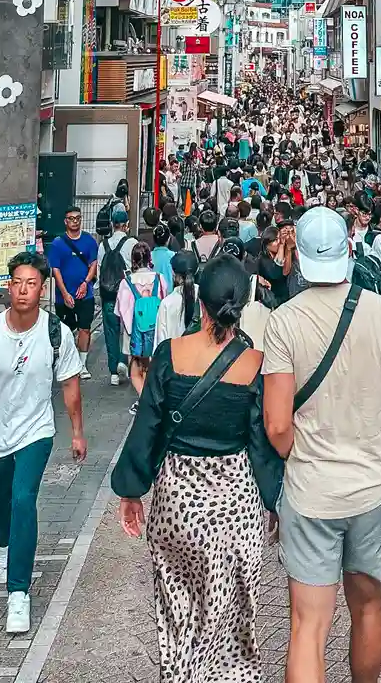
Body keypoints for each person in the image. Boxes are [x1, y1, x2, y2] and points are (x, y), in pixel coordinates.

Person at [262, 208, 381, 683]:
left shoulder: (283, 322)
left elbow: (278, 424)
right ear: (349, 249)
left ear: (298, 257)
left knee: (307, 625)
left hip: (311, 489)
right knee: (367, 605)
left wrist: (296, 458)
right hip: (373, 485)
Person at [113, 255, 282, 683]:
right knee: (231, 615)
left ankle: (183, 674)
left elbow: (148, 426)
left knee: (178, 606)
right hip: (237, 503)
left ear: (198, 303)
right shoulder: (255, 364)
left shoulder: (170, 355)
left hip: (178, 501)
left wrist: (131, 490)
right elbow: (260, 443)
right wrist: (273, 500)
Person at [0, 251, 85, 636]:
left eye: (31, 283)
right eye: (17, 282)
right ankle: (2, 544)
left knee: (23, 498)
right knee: (1, 500)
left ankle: (18, 594)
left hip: (36, 431)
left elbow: (71, 387)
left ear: (42, 290)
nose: (23, 290)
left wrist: (77, 431)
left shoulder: (55, 333)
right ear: (8, 286)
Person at [47, 206, 99, 379]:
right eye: (71, 218)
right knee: (65, 330)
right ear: (65, 221)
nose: (75, 221)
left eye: (77, 218)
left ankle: (82, 364)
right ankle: (66, 362)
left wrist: (85, 283)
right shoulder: (57, 244)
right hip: (64, 296)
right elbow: (56, 270)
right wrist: (64, 293)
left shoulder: (89, 241)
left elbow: (93, 264)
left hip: (86, 295)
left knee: (85, 328)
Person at [117, 242, 167, 407]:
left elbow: (121, 310)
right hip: (154, 328)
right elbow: (163, 300)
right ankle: (150, 398)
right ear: (149, 258)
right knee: (150, 365)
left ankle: (144, 400)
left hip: (134, 330)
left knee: (135, 368)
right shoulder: (159, 279)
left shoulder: (127, 282)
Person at [98, 206, 137, 388]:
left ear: (113, 225)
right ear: (126, 225)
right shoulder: (131, 243)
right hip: (127, 292)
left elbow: (99, 269)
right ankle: (123, 361)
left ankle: (113, 372)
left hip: (108, 293)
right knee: (128, 328)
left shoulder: (102, 245)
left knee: (110, 331)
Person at [155, 250, 199, 347]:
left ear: (174, 274)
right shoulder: (205, 298)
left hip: (174, 359)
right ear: (196, 270)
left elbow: (160, 343)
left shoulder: (167, 303)